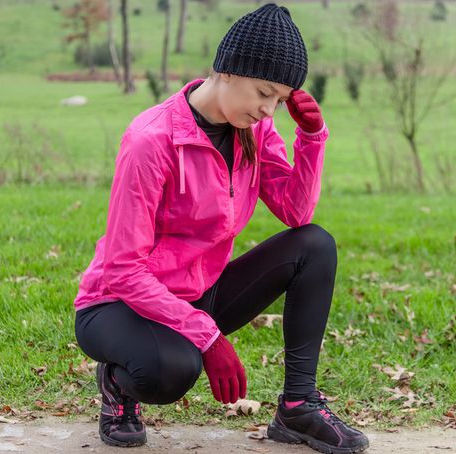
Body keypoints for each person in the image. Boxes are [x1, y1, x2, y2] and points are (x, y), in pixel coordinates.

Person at [72, 3, 369, 453]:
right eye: (264, 92)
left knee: (315, 245)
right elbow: (122, 270)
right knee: (172, 370)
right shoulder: (151, 141)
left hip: (198, 290)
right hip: (117, 303)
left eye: (281, 100)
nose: (270, 110)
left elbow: (295, 212)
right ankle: (117, 383)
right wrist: (206, 336)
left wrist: (312, 138)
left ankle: (298, 406)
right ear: (228, 71)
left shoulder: (253, 130)